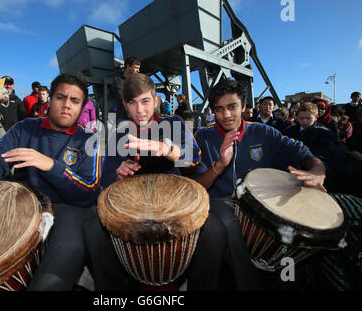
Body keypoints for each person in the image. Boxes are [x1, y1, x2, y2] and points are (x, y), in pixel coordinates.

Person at [0, 72, 102, 291]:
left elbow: (88, 191)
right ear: (50, 100)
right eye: (61, 97)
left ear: (82, 107)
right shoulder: (25, 128)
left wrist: (51, 165)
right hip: (23, 204)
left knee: (68, 246)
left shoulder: (88, 140)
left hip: (68, 209)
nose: (67, 105)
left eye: (75, 101)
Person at [83, 73, 227, 291]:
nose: (140, 110)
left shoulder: (175, 123)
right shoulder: (118, 135)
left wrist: (166, 149)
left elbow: (194, 159)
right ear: (124, 104)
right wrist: (117, 176)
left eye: (145, 101)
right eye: (132, 103)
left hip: (175, 204)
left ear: (156, 100)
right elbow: (104, 184)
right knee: (94, 230)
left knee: (215, 232)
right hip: (132, 209)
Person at [193, 79, 327, 290]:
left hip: (263, 204)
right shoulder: (202, 137)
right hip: (220, 202)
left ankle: (289, 281)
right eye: (219, 109)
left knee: (294, 235)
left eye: (232, 107)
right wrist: (219, 165)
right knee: (230, 224)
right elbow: (195, 188)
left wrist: (317, 171)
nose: (226, 115)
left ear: (245, 106)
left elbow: (305, 154)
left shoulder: (264, 133)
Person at [110, 57, 141, 124]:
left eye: (138, 68)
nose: (138, 70)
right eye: (136, 67)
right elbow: (122, 98)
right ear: (128, 66)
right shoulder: (118, 81)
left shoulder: (136, 82)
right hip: (124, 118)